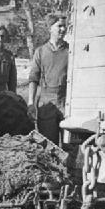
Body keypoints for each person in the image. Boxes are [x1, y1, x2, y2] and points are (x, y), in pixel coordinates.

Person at [28, 14, 69, 144]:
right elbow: (33, 78)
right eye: (59, 26)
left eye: (64, 26)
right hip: (47, 103)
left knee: (70, 146)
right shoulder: (40, 52)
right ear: (50, 28)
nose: (63, 29)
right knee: (49, 146)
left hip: (67, 102)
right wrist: (31, 103)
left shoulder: (71, 50)